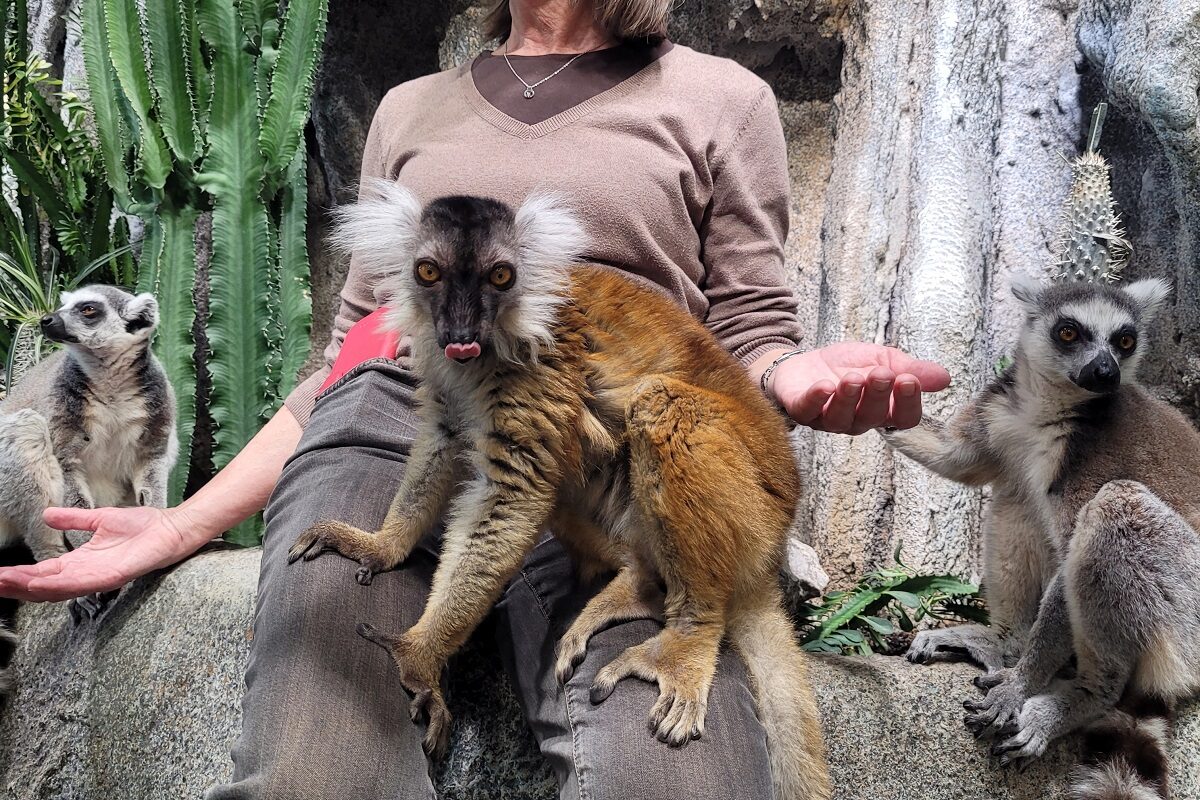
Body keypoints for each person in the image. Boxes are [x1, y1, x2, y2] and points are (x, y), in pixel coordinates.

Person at [0, 1, 951, 797]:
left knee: (672, 772)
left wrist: (790, 378)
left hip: (605, 450)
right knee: (311, 764)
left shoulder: (719, 98)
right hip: (394, 419)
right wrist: (182, 523)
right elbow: (339, 359)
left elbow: (747, 329)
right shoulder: (412, 108)